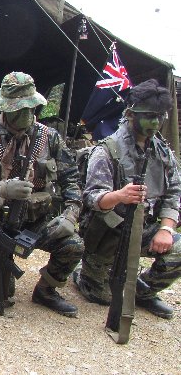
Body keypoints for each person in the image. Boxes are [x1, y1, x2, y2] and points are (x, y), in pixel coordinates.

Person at [0, 72, 84, 317]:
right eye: (20, 109)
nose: (27, 115)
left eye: (31, 108)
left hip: (35, 222)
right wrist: (0, 188)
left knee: (73, 245)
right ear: (6, 110)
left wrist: (70, 215)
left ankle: (46, 290)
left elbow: (71, 180)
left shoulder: (49, 138)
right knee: (1, 292)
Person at [74, 79, 180, 319]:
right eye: (149, 116)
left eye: (160, 116)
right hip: (109, 233)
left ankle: (142, 291)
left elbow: (174, 191)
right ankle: (85, 272)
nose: (156, 123)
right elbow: (92, 198)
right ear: (131, 114)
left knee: (179, 248)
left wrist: (165, 229)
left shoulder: (162, 151)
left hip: (144, 228)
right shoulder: (107, 150)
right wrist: (119, 196)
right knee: (102, 297)